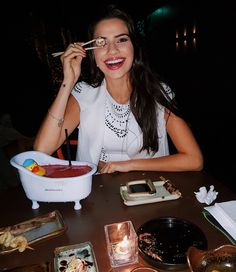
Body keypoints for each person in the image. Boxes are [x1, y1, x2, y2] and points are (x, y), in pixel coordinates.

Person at [34, 5, 203, 174]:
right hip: (99, 194)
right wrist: (68, 82)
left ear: (134, 47)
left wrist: (128, 165)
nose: (112, 50)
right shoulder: (84, 94)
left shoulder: (158, 92)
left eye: (121, 40)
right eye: (101, 42)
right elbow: (42, 149)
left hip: (152, 193)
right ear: (92, 54)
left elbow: (194, 159)